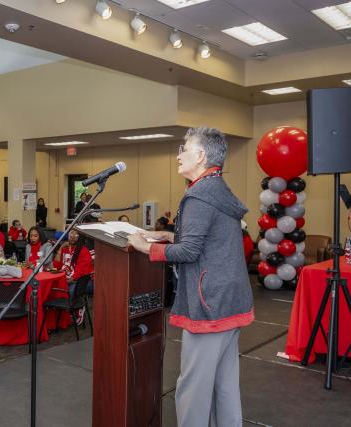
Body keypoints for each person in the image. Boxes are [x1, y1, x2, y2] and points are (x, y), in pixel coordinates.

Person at [126, 127, 253, 427]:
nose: (178, 155)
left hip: (209, 302)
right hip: (231, 299)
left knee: (192, 390)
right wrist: (168, 235)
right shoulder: (218, 189)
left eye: (184, 148)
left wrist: (148, 248)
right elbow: (208, 241)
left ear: (201, 156)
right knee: (225, 386)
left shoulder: (198, 195)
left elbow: (191, 251)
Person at [54, 228, 93, 325]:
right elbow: (56, 266)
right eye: (71, 233)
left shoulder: (83, 250)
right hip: (64, 277)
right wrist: (60, 249)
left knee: (69, 291)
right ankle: (60, 316)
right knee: (54, 289)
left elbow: (81, 269)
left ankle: (78, 308)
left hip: (79, 280)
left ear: (80, 237)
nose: (72, 236)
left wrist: (72, 279)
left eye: (76, 234)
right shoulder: (65, 248)